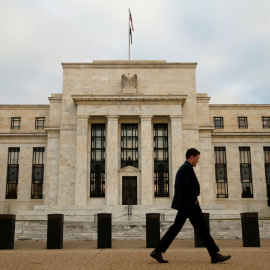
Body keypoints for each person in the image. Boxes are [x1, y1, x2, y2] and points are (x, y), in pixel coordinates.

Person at [150, 148, 231, 264]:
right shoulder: (186, 168)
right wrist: (194, 199)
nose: (198, 161)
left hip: (186, 204)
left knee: (178, 228)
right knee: (201, 229)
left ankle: (157, 251)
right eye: (197, 158)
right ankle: (214, 255)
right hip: (190, 204)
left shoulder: (185, 168)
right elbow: (185, 186)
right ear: (191, 157)